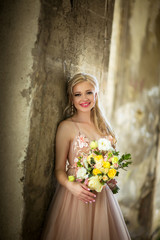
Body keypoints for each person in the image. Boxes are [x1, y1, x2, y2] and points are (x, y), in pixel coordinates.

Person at [41, 73, 131, 240]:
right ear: (71, 98)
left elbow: (107, 161)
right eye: (78, 94)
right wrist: (71, 186)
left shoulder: (103, 127)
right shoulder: (66, 127)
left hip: (101, 197)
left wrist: (108, 177)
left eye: (89, 92)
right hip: (74, 195)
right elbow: (59, 169)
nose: (84, 98)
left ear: (96, 95)